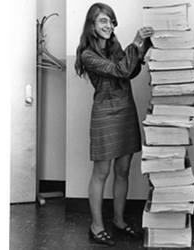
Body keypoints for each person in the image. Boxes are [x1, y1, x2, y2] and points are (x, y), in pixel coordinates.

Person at [75, 2, 153, 246]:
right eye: (102, 21)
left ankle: (118, 220)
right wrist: (136, 41)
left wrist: (143, 44)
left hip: (125, 110)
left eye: (110, 20)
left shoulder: (115, 46)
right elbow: (120, 69)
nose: (108, 25)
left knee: (122, 170)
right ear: (92, 25)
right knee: (102, 173)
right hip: (105, 114)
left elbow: (129, 71)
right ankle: (96, 227)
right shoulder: (87, 55)